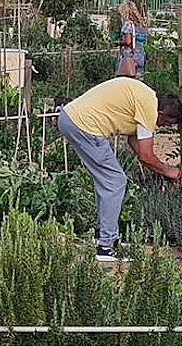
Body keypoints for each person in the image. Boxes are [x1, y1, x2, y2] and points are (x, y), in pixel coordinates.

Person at [57, 77, 182, 259]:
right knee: (115, 181)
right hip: (84, 125)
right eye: (166, 124)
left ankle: (103, 237)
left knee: (106, 181)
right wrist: (171, 171)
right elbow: (146, 156)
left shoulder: (146, 97)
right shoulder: (148, 107)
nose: (162, 127)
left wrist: (158, 168)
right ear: (161, 114)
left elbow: (136, 143)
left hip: (71, 119)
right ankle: (106, 247)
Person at [114, 0, 148, 78]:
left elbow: (127, 41)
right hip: (140, 55)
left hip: (129, 55)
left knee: (125, 80)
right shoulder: (141, 25)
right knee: (138, 80)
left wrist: (118, 43)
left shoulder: (128, 24)